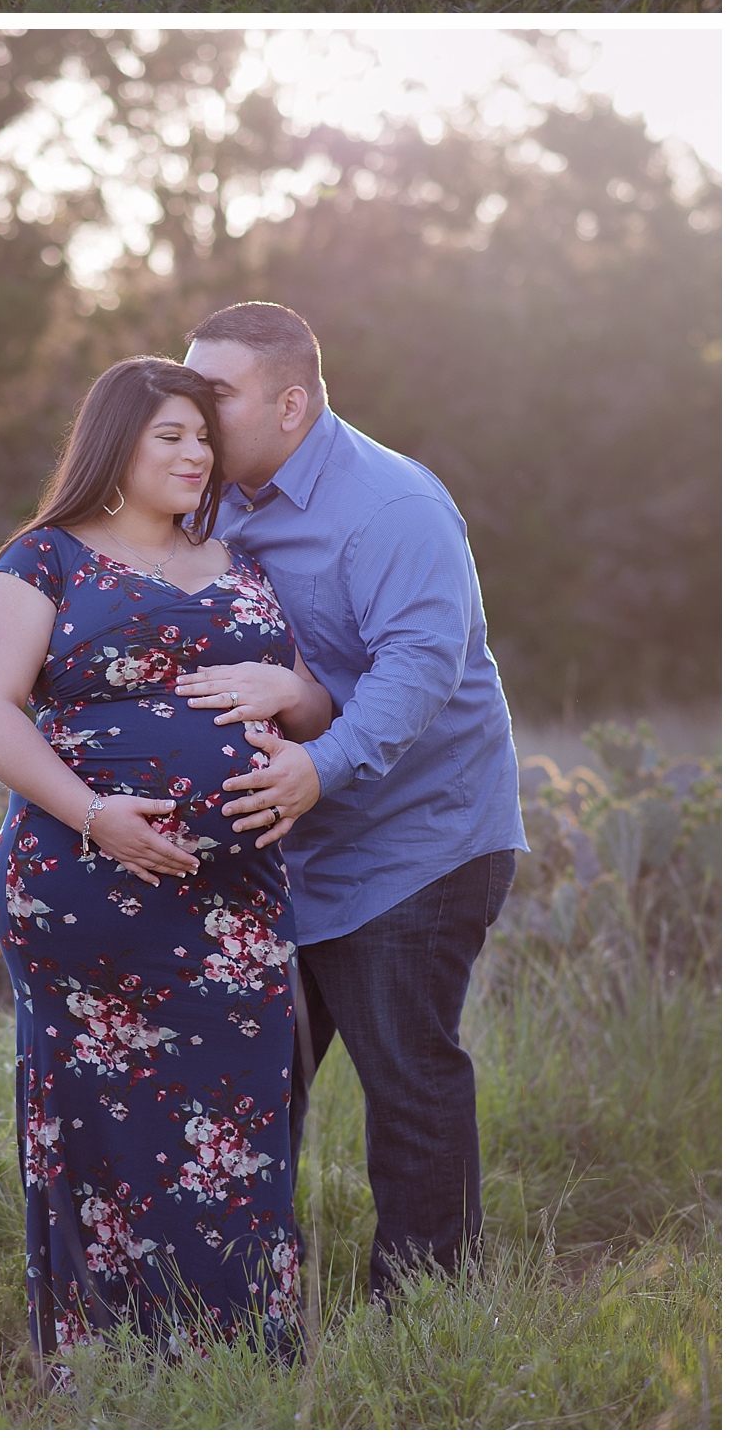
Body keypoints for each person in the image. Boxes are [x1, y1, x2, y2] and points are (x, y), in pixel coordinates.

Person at [0, 357, 332, 1373]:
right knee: (99, 1123)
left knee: (240, 1114)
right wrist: (95, 813)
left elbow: (313, 707)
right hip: (86, 882)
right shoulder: (44, 558)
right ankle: (113, 1356)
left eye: (204, 435)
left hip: (236, 904)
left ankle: (239, 1351)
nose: (197, 451)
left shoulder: (236, 557)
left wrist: (286, 688)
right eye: (170, 433)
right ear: (114, 441)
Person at [183, 300, 528, 1299]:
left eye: (218, 394)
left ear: (291, 402)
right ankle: (239, 1290)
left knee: (407, 1076)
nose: (195, 413)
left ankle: (422, 1304)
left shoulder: (393, 505)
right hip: (287, 845)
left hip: (418, 839)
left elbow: (420, 667)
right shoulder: (213, 496)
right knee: (253, 1073)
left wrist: (318, 764)